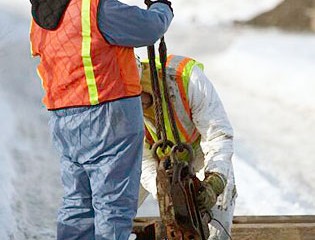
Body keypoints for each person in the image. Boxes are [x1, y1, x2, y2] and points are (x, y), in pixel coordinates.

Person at [29, 0, 173, 239]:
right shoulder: (95, 8)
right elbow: (150, 27)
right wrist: (161, 6)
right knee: (112, 206)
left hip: (64, 120)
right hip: (108, 115)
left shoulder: (40, 19)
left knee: (77, 204)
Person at [138, 55, 237, 240]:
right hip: (156, 160)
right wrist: (163, 190)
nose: (139, 103)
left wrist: (215, 182)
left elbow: (218, 136)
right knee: (116, 203)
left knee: (223, 198)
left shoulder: (187, 80)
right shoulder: (120, 103)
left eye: (140, 93)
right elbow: (142, 159)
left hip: (197, 152)